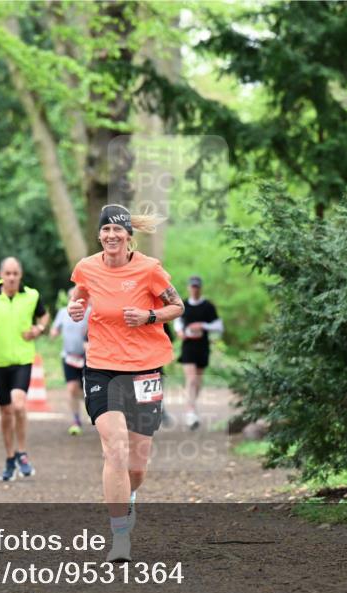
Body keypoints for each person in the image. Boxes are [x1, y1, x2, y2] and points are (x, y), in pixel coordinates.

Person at [68, 204, 184, 562]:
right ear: (99, 235)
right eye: (105, 231)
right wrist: (76, 308)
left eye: (118, 231)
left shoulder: (149, 270)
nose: (111, 236)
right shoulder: (86, 268)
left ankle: (129, 497)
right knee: (114, 448)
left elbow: (177, 306)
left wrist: (150, 315)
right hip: (102, 367)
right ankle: (120, 535)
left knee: (137, 463)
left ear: (129, 236)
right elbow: (80, 297)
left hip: (145, 369)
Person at [0, 257, 49, 482]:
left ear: (20, 274)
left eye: (15, 273)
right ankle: (10, 457)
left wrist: (39, 328)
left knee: (18, 404)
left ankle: (22, 452)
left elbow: (43, 314)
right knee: (5, 412)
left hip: (23, 359)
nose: (12, 277)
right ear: (1, 274)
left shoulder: (31, 296)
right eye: (8, 273)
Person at [175, 275, 223, 430]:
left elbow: (219, 326)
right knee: (191, 378)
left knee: (198, 381)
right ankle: (190, 412)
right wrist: (181, 332)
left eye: (197, 287)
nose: (194, 289)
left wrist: (202, 326)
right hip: (188, 346)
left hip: (202, 347)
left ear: (200, 288)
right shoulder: (182, 305)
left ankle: (192, 407)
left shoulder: (208, 306)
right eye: (192, 286)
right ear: (189, 287)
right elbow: (177, 322)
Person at [50, 288, 90, 435]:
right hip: (68, 356)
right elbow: (55, 329)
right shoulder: (62, 312)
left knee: (89, 390)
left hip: (87, 357)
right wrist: (53, 333)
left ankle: (93, 403)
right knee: (72, 388)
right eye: (72, 296)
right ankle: (76, 419)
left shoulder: (90, 311)